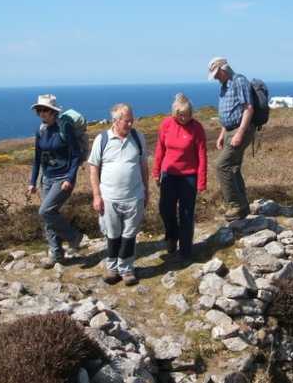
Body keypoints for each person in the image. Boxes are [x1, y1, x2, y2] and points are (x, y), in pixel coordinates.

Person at [88, 103, 149, 285]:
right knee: (113, 235)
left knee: (129, 235)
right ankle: (112, 268)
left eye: (131, 120)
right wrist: (96, 196)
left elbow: (143, 166)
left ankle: (127, 270)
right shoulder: (102, 139)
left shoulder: (138, 137)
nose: (130, 124)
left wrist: (146, 190)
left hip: (134, 196)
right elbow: (93, 169)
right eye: (126, 121)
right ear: (115, 121)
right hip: (109, 198)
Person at [27, 94, 83, 267]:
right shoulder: (41, 130)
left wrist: (70, 178)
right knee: (48, 217)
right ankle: (57, 254)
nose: (41, 113)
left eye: (44, 110)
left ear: (53, 111)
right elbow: (37, 158)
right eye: (39, 110)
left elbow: (76, 154)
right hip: (47, 178)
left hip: (63, 178)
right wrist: (32, 182)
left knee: (45, 211)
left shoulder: (64, 127)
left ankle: (74, 237)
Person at [152, 93, 207, 261]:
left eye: (188, 114)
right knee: (165, 209)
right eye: (181, 115)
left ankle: (185, 250)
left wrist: (201, 181)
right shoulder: (166, 124)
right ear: (175, 113)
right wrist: (156, 172)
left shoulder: (197, 128)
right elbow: (160, 149)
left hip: (189, 177)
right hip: (169, 174)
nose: (185, 118)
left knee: (186, 214)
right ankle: (172, 236)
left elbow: (202, 155)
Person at [208, 56, 254, 221]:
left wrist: (240, 133)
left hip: (239, 129)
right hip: (229, 130)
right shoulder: (224, 86)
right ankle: (243, 207)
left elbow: (248, 108)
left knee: (222, 165)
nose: (215, 78)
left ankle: (235, 205)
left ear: (223, 69)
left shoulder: (238, 81)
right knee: (233, 168)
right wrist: (222, 134)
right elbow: (228, 113)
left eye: (216, 74)